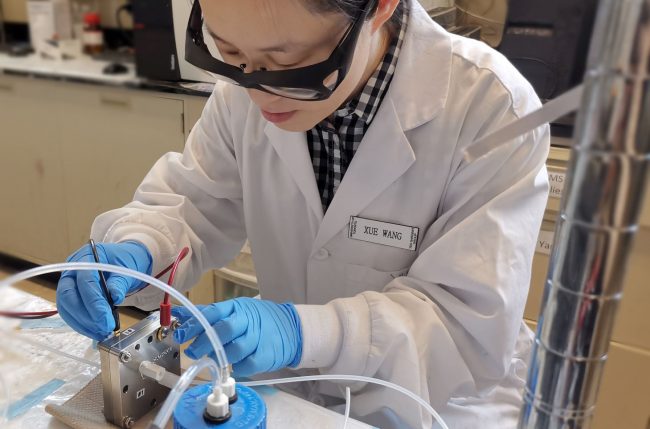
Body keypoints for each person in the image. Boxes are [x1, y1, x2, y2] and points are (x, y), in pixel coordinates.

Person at [56, 0, 550, 427]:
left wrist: (303, 333)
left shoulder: (492, 108)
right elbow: (193, 206)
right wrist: (137, 249)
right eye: (228, 53)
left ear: (378, 8)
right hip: (291, 393)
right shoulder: (244, 91)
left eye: (286, 63)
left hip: (430, 405)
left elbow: (462, 324)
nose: (258, 94)